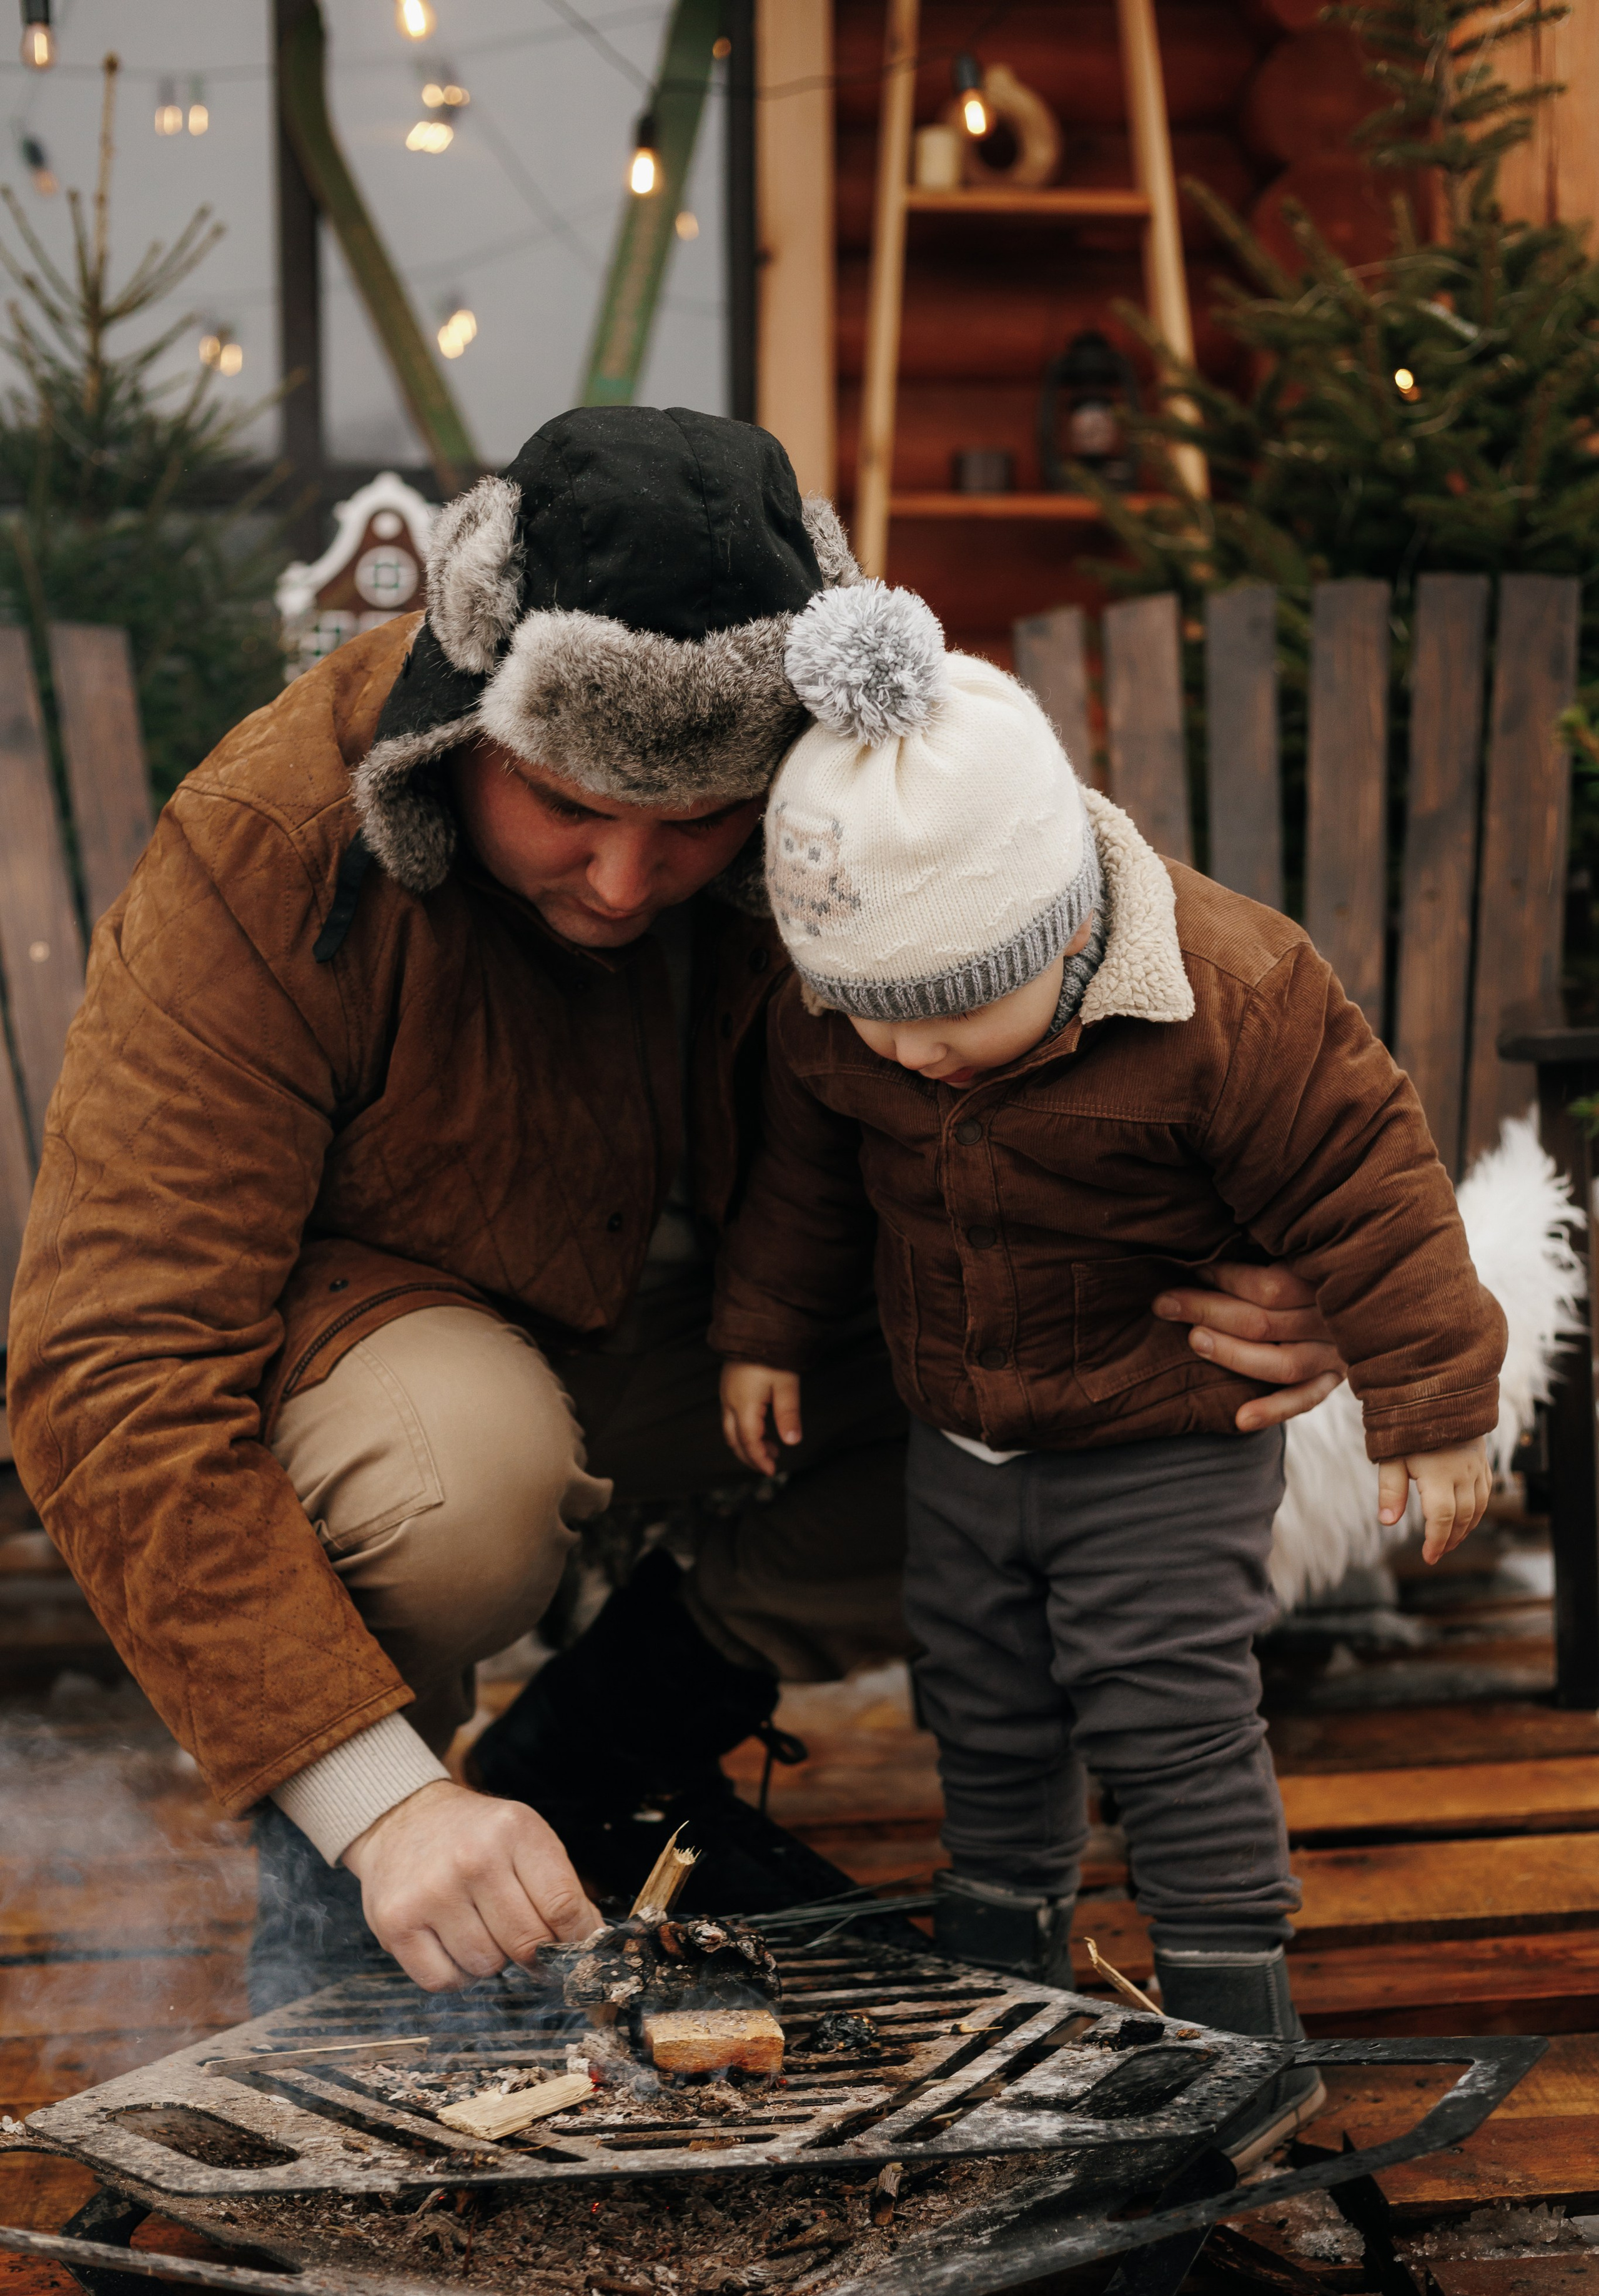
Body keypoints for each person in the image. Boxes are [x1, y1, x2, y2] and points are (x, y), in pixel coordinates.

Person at [7, 407, 1347, 2011]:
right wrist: (381, 1803)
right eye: (568, 806)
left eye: (696, 819)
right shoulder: (275, 840)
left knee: (1097, 1379)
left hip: (740, 1341)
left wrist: (1288, 1244)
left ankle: (606, 1725)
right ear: (462, 730)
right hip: (404, 1362)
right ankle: (362, 1879)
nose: (626, 884)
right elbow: (108, 1367)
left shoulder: (874, 793)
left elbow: (1158, 960)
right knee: (461, 1496)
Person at [713, 582, 1504, 2165]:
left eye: (947, 1016)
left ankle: (1228, 2002)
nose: (908, 1058)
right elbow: (801, 1186)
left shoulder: (1230, 999)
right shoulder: (848, 1028)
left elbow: (1370, 1182)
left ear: (1065, 929)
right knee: (981, 1694)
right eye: (870, 1020)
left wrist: (1435, 1405)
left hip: (1158, 1434)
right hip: (966, 1435)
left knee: (1161, 1708)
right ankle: (1003, 1957)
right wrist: (761, 1328)